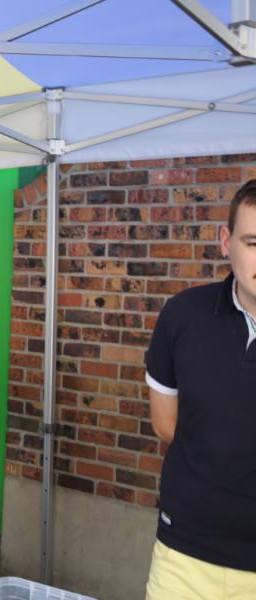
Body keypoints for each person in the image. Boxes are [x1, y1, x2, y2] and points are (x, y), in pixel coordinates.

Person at [145, 179, 256, 598]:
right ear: (227, 242)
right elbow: (166, 426)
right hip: (185, 557)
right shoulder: (183, 317)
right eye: (254, 242)